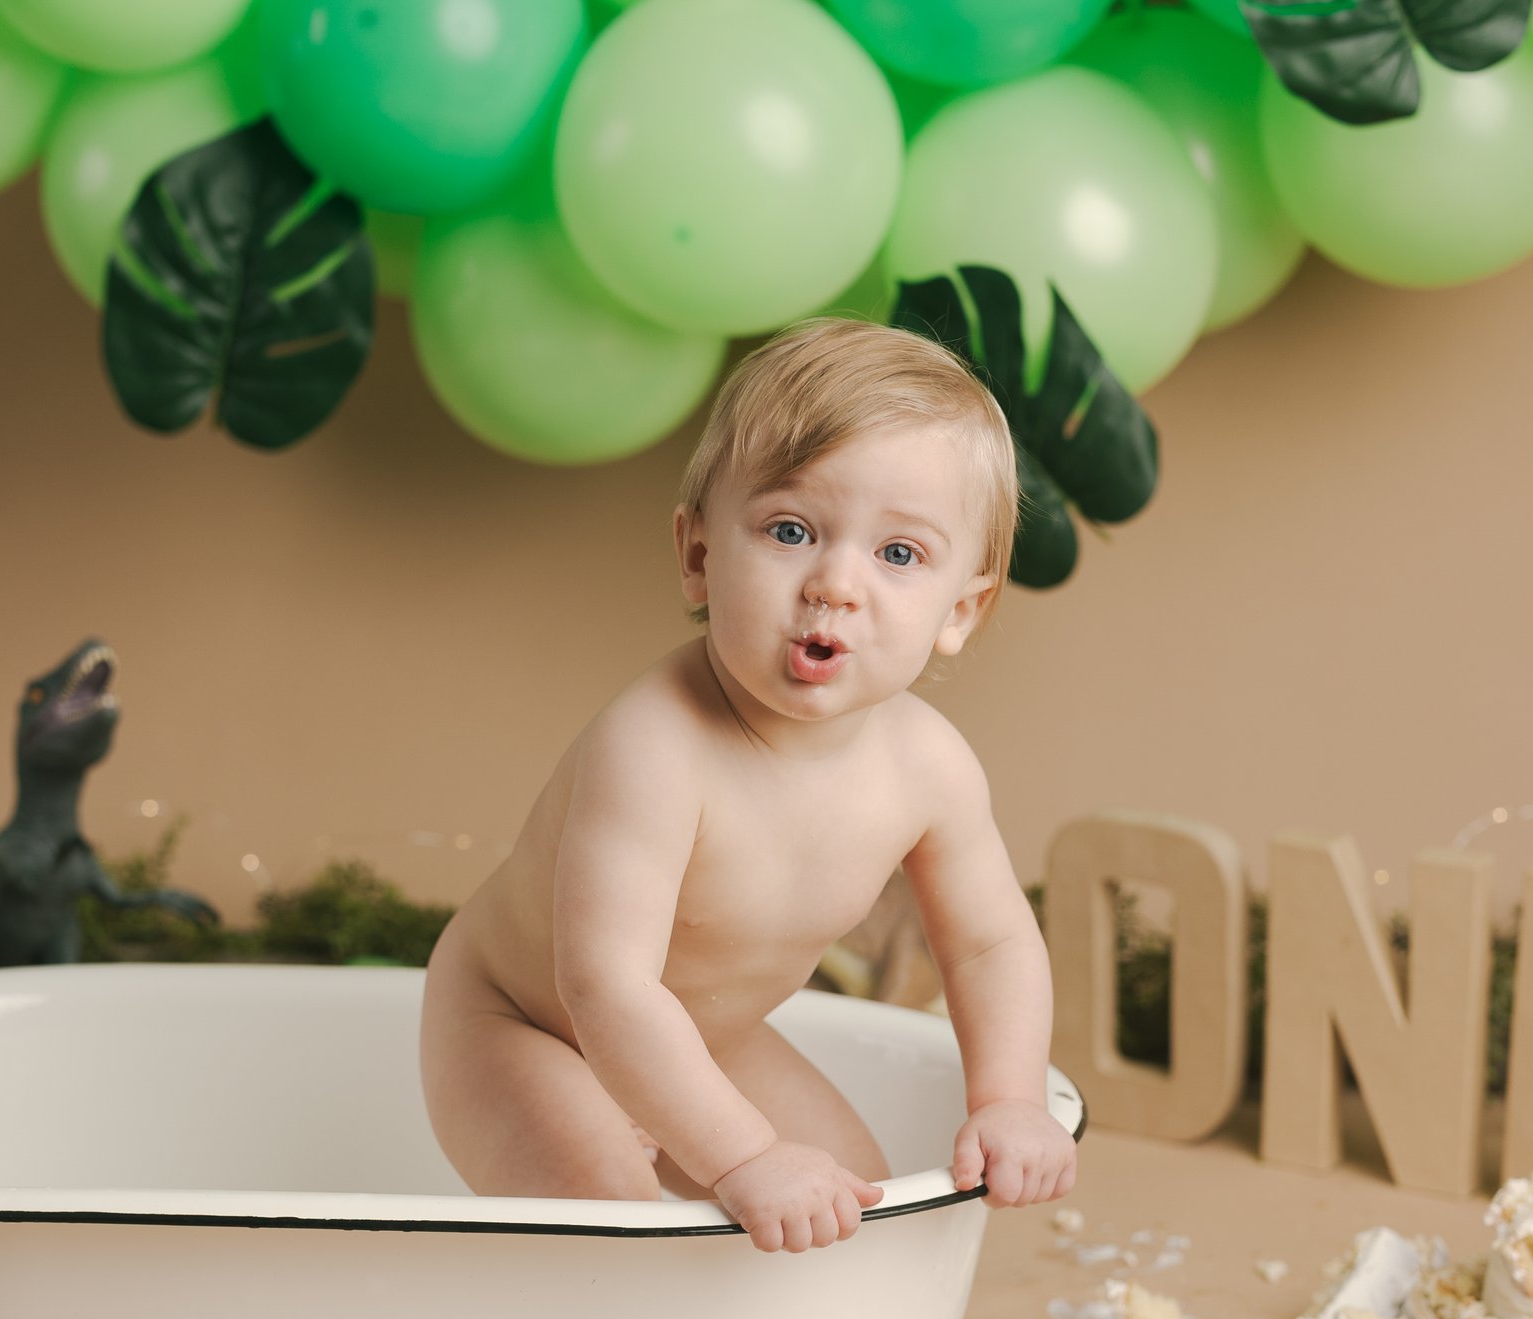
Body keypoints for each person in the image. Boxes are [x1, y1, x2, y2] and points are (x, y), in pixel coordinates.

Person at [419, 315, 1074, 1252]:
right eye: (792, 529)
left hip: (698, 1034)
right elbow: (606, 986)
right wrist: (742, 1155)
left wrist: (1010, 1098)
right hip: (522, 1025)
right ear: (698, 555)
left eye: (899, 554)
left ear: (959, 610)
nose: (836, 585)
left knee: (858, 1190)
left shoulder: (927, 765)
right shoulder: (654, 748)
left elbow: (989, 942)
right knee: (598, 1197)